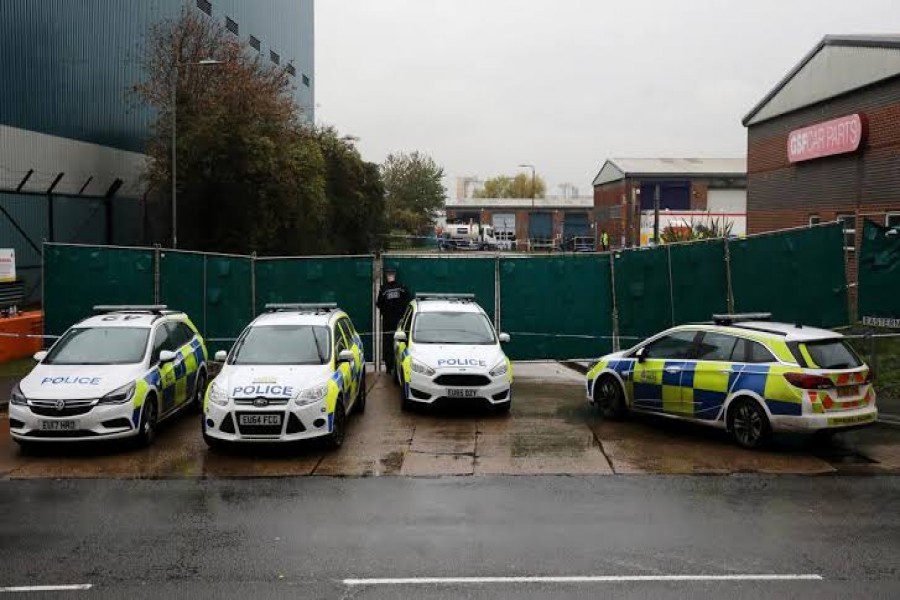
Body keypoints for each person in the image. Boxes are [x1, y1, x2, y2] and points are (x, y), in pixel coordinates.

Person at [376, 266, 411, 374]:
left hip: (388, 321)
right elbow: (408, 301)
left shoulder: (384, 289)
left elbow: (379, 304)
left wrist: (386, 310)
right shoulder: (402, 288)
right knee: (401, 342)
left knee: (388, 343)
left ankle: (389, 367)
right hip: (400, 321)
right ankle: (399, 365)